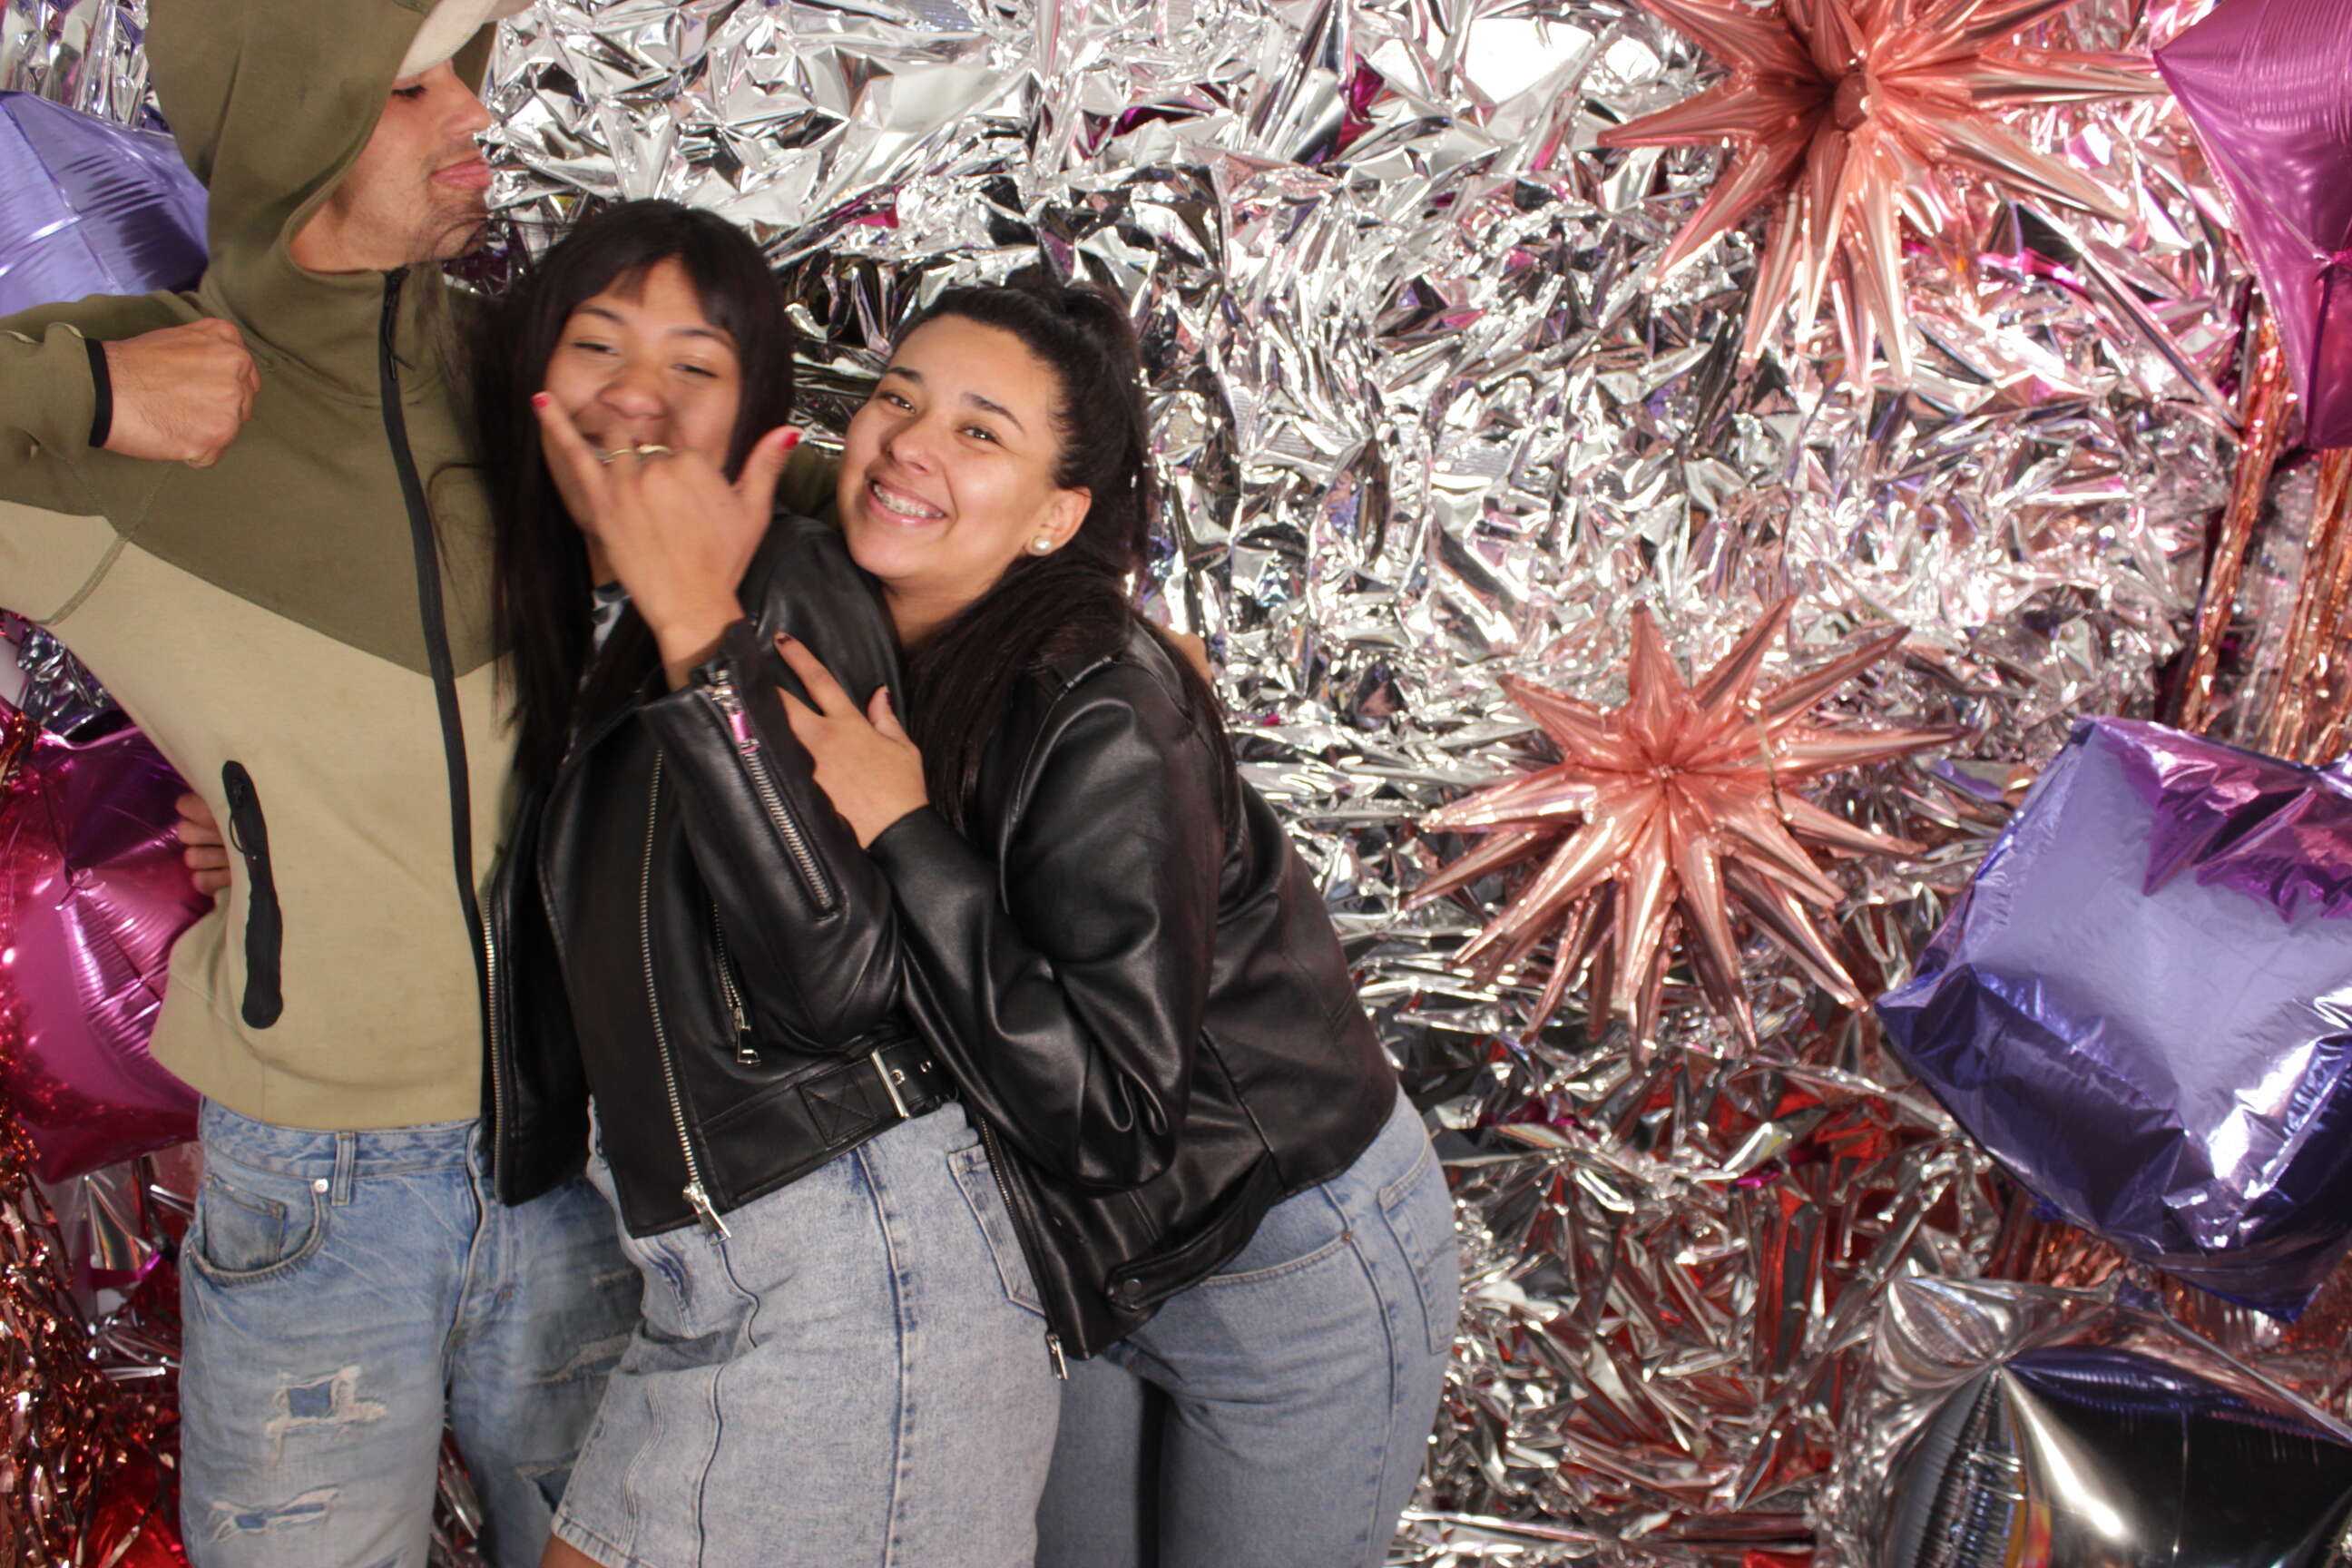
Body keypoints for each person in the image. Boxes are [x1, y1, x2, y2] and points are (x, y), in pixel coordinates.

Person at [0, 4, 753, 1562]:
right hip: (319, 1192)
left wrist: (1063, 611)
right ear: (297, 118)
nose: (472, 117)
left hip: (581, 1146)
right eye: (412, 89)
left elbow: (815, 487)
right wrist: (90, 395)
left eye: (464, 78)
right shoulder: (140, 411)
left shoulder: (516, 367)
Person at [774, 273, 1462, 1568]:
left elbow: (1117, 1114)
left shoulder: (1104, 710)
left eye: (980, 431)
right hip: (1083, 1262)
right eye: (896, 401)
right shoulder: (870, 617)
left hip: (1284, 1259)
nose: (913, 444)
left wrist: (902, 833)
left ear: (1057, 515)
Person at [482, 199, 1061, 1568]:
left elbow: (839, 983)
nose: (637, 393)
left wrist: (703, 633)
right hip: (711, 1261)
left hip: (860, 1264)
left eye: (694, 364)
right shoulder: (576, 601)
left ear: (756, 419)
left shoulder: (783, 595)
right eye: (597, 343)